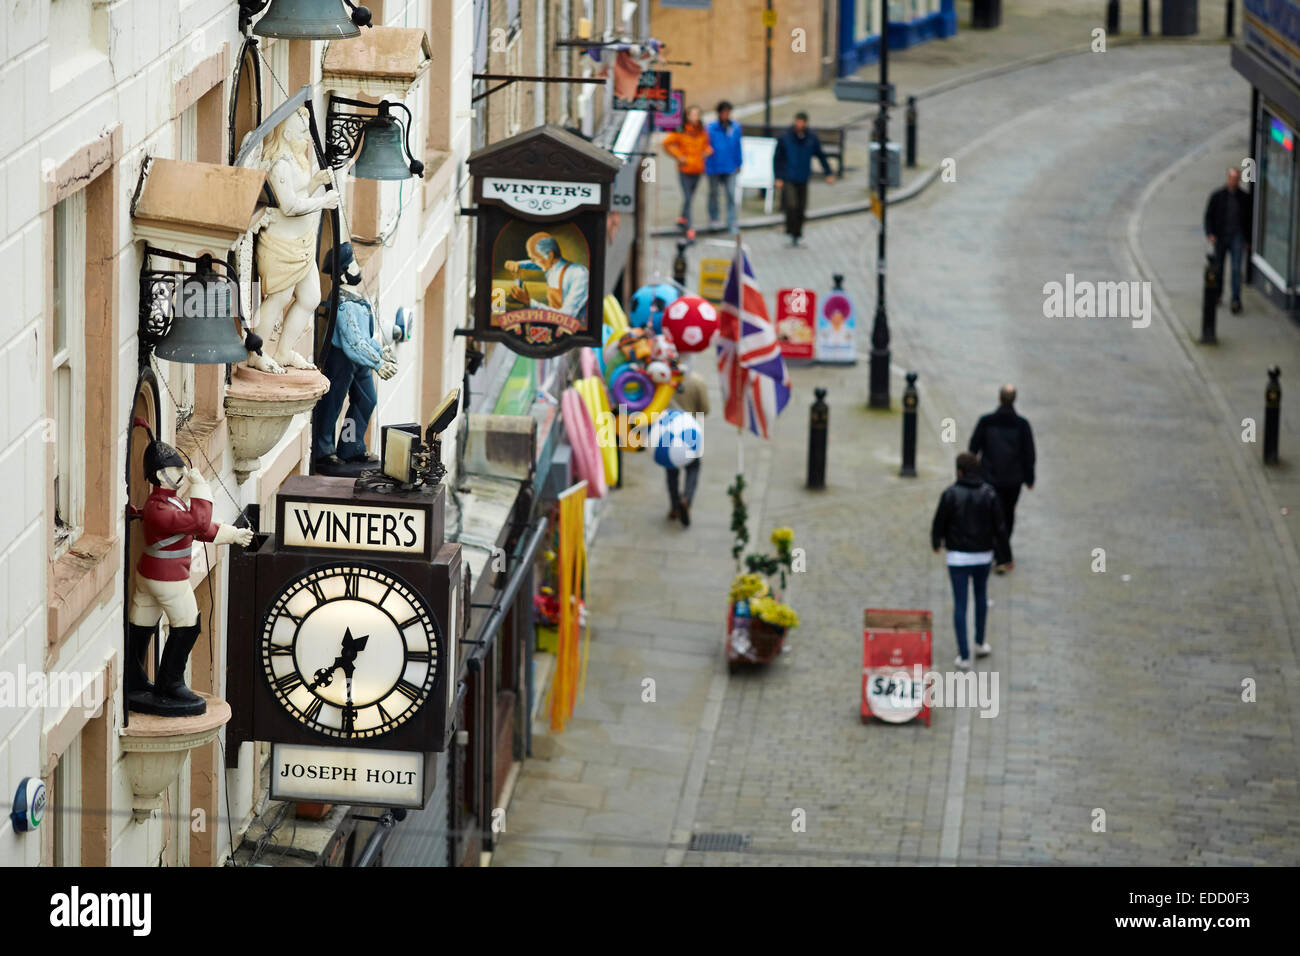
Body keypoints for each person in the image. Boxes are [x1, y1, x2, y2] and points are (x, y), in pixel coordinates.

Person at [128, 420, 254, 716]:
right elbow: (198, 521)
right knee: (187, 624)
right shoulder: (161, 508)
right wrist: (201, 486)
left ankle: (134, 677)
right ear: (161, 474)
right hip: (167, 578)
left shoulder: (167, 505)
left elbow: (196, 527)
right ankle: (170, 683)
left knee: (143, 623)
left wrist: (231, 535)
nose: (183, 474)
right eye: (176, 470)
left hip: (152, 576)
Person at [313, 242, 398, 471]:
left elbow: (365, 337)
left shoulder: (357, 299)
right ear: (343, 272)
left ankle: (351, 445)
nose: (357, 268)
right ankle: (324, 449)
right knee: (333, 403)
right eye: (353, 265)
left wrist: (381, 351)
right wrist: (378, 363)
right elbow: (353, 343)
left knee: (366, 400)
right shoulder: (344, 304)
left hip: (360, 360)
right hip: (341, 358)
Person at [931, 452, 1009, 669]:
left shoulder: (950, 494)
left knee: (960, 604)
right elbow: (1000, 528)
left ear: (959, 471)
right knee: (981, 597)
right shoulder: (989, 494)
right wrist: (1006, 556)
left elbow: (939, 522)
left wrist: (936, 542)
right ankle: (979, 642)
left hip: (957, 557)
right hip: (983, 555)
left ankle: (963, 654)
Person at [968, 384, 1035, 573]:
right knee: (1007, 514)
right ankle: (1001, 554)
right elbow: (1029, 454)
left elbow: (973, 448)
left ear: (999, 398)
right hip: (1012, 481)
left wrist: (971, 473)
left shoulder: (986, 421)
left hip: (990, 478)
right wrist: (1029, 478)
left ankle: (995, 552)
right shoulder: (1022, 425)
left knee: (990, 515)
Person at [773, 112, 835, 247]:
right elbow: (778, 158)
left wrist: (828, 173)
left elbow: (820, 155)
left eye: (802, 122)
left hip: (803, 177)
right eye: (798, 121)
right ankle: (790, 231)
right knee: (791, 205)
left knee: (801, 208)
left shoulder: (811, 138)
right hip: (789, 177)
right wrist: (778, 177)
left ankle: (797, 234)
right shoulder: (786, 137)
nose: (800, 124)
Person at [1203, 166, 1253, 314]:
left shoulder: (1244, 198)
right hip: (1221, 236)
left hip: (1237, 237)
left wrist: (1247, 240)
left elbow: (1249, 220)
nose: (1233, 181)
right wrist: (1210, 233)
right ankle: (1217, 295)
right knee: (1219, 268)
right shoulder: (1218, 196)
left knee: (1236, 269)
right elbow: (1209, 216)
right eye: (1231, 178)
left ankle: (1236, 299)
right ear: (1227, 179)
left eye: (1236, 179)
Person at [505, 232, 589, 318]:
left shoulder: (578, 274)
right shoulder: (551, 266)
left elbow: (567, 315)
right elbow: (535, 263)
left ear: (550, 255)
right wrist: (518, 264)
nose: (533, 262)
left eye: (534, 258)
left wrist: (529, 302)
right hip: (555, 321)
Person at [667, 367, 709, 527]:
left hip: (669, 430)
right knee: (693, 467)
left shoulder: (666, 380)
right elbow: (705, 409)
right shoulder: (697, 381)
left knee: (671, 470)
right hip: (690, 431)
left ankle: (674, 506)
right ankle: (687, 498)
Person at [663, 105, 712, 241]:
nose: (695, 118)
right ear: (687, 116)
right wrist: (679, 156)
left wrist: (707, 151)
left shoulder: (702, 131)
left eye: (697, 115)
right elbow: (667, 143)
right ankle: (689, 228)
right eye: (692, 115)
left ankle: (682, 218)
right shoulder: (681, 131)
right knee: (688, 198)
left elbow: (707, 145)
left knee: (689, 197)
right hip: (685, 169)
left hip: (698, 168)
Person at [705, 101, 744, 234]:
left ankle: (732, 221)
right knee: (713, 194)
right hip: (714, 167)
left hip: (730, 167)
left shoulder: (735, 128)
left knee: (731, 195)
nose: (726, 115)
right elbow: (706, 147)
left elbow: (738, 146)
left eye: (728, 112)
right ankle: (714, 219)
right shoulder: (710, 128)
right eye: (724, 112)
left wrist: (739, 163)